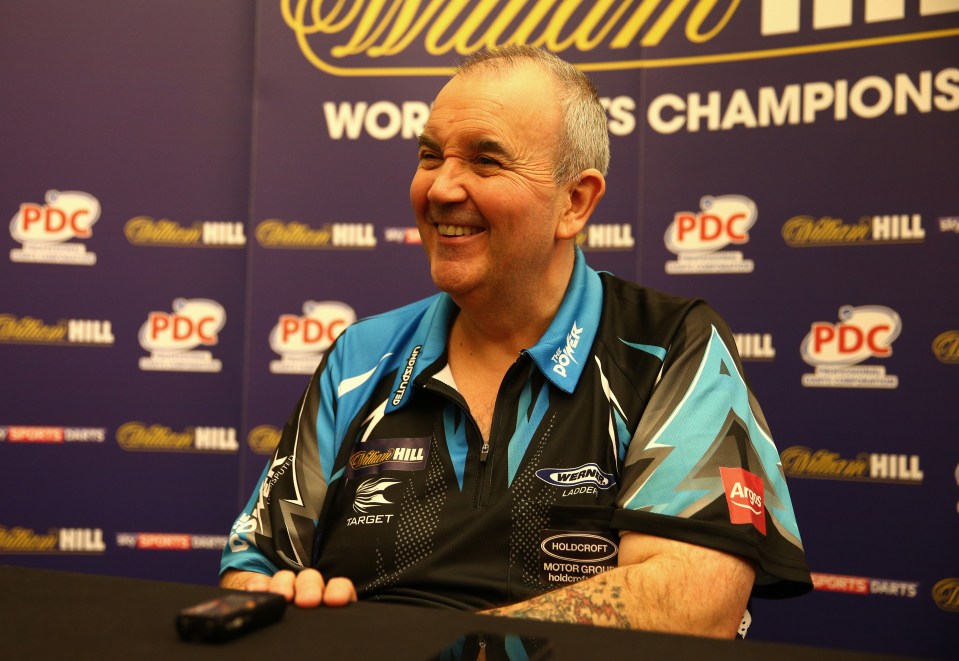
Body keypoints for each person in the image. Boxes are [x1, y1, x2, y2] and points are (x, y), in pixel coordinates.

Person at [220, 44, 811, 639]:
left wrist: (426, 648)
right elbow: (252, 565)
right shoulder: (359, 355)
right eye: (430, 156)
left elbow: (696, 603)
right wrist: (281, 599)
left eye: (485, 162)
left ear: (574, 202)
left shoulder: (671, 346)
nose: (441, 189)